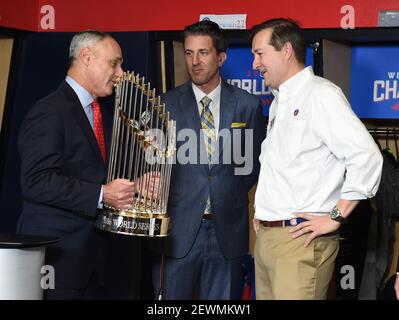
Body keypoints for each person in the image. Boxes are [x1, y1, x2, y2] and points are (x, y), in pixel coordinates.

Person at [251, 18, 383, 300]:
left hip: (300, 244)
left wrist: (336, 216)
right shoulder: (278, 103)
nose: (254, 64)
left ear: (286, 51)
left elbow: (368, 156)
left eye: (260, 54)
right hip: (269, 241)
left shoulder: (321, 95)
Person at [17, 31, 153, 299]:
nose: (121, 73)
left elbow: (95, 175)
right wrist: (103, 195)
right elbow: (36, 182)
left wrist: (136, 187)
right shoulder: (49, 111)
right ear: (86, 57)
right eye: (114, 63)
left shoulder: (103, 113)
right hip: (59, 262)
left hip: (97, 262)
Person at [151, 20, 266, 300]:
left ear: (221, 57)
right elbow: (153, 165)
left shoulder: (247, 105)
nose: (194, 61)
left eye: (203, 53)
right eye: (189, 53)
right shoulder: (164, 105)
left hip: (227, 232)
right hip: (178, 232)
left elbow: (252, 165)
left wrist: (227, 191)